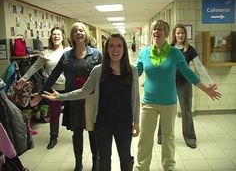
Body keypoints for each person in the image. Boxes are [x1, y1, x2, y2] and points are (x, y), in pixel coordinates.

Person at [41, 33, 140, 171]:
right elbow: (83, 91)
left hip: (124, 122)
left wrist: (136, 121)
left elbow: (135, 98)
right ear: (106, 49)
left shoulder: (132, 71)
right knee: (104, 159)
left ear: (124, 48)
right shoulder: (99, 70)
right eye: (111, 46)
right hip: (102, 123)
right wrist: (60, 97)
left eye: (119, 45)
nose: (115, 49)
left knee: (126, 158)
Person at [134, 19, 221, 171]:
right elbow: (135, 73)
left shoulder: (175, 53)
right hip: (149, 102)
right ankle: (141, 167)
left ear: (167, 33)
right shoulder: (144, 52)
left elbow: (189, 74)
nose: (156, 32)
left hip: (168, 103)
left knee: (168, 139)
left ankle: (168, 167)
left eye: (160, 29)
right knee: (145, 139)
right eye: (154, 29)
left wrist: (206, 88)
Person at [30, 22, 102, 171]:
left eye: (81, 30)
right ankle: (78, 163)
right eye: (75, 31)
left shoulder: (96, 54)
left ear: (86, 34)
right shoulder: (66, 55)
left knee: (93, 132)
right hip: (73, 99)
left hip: (91, 99)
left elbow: (105, 77)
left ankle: (96, 162)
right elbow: (53, 76)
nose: (79, 33)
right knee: (77, 132)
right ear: (72, 35)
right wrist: (40, 93)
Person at [157, 23, 217, 149]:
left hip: (184, 84)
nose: (180, 35)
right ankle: (161, 136)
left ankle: (190, 138)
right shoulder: (169, 48)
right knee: (165, 110)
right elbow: (160, 65)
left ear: (186, 35)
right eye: (178, 33)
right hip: (169, 84)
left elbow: (199, 67)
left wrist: (209, 82)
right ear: (174, 34)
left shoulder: (190, 50)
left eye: (182, 33)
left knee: (186, 111)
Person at [15, 27, 70, 149]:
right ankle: (53, 138)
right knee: (54, 114)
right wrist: (24, 78)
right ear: (51, 37)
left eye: (58, 34)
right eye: (54, 34)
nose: (56, 36)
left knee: (76, 113)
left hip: (69, 88)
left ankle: (77, 135)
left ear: (62, 37)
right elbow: (35, 67)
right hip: (52, 88)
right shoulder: (46, 53)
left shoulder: (69, 51)